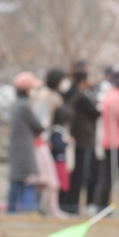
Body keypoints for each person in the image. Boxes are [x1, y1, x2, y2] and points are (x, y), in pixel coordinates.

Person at [92, 68, 119, 210]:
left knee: (106, 176)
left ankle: (101, 204)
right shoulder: (118, 98)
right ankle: (102, 205)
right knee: (110, 177)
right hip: (117, 142)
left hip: (108, 141)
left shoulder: (108, 96)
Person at [60, 67, 101, 214]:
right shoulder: (82, 98)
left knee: (65, 173)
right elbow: (96, 113)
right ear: (83, 81)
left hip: (65, 139)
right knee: (77, 176)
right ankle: (72, 206)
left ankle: (63, 204)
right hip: (81, 142)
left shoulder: (65, 94)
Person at [7, 72, 44, 213]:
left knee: (18, 179)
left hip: (18, 146)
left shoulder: (16, 104)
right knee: (18, 180)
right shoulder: (24, 106)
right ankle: (14, 210)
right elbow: (37, 125)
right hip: (23, 147)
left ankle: (14, 210)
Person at [32, 70, 66, 217]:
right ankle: (45, 209)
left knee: (44, 179)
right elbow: (41, 119)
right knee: (47, 179)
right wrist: (44, 137)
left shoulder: (53, 96)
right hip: (41, 142)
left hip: (44, 141)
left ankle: (41, 208)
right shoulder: (45, 96)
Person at [49, 105, 74, 217]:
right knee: (57, 185)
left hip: (61, 160)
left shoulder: (59, 130)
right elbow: (57, 146)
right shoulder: (57, 130)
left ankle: (57, 208)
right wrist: (67, 143)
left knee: (61, 185)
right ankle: (54, 209)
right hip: (57, 161)